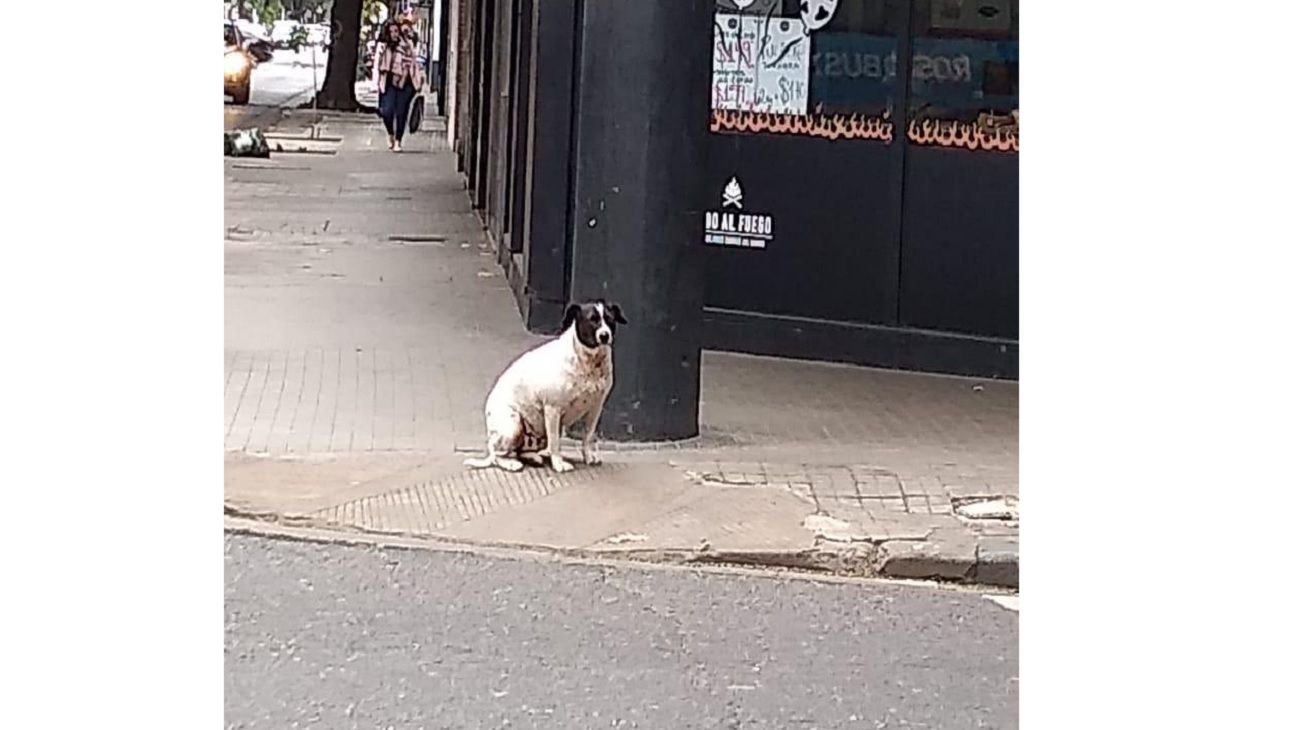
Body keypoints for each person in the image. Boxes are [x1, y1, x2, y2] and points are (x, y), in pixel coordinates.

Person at [373, 20, 423, 152]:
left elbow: (413, 62)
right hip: (388, 82)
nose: (394, 34)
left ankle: (398, 141)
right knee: (386, 111)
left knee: (401, 112)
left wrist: (417, 80)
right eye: (391, 32)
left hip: (405, 81)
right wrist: (375, 83)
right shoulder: (383, 46)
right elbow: (377, 65)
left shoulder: (407, 44)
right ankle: (390, 133)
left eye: (396, 31)